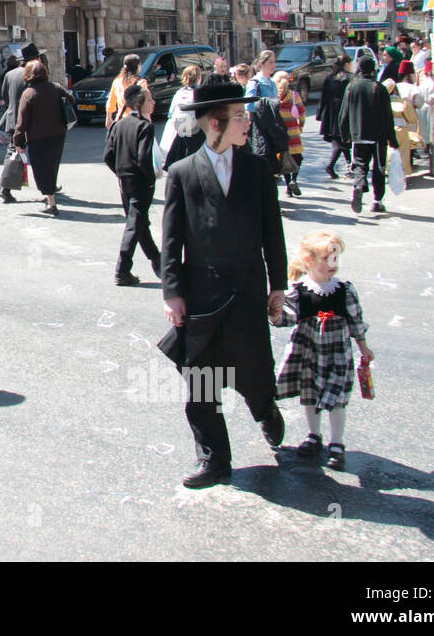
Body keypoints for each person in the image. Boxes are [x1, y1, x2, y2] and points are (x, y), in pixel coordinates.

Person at [160, 81, 288, 489]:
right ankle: (214, 459)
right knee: (201, 382)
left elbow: (274, 232)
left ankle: (265, 409)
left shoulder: (256, 168)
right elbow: (172, 240)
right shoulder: (182, 174)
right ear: (215, 124)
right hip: (202, 297)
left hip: (249, 293)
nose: (247, 122)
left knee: (255, 374)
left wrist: (279, 286)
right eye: (239, 116)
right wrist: (172, 293)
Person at [272, 230, 373, 471]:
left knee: (337, 397)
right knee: (310, 393)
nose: (333, 265)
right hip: (308, 351)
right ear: (309, 261)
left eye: (336, 259)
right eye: (327, 259)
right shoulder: (299, 290)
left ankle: (337, 443)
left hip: (337, 352)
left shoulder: (344, 290)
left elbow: (355, 321)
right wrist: (275, 314)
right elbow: (287, 319)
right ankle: (313, 435)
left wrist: (363, 347)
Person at [104, 83, 160, 285]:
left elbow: (108, 155)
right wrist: (150, 180)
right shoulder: (145, 126)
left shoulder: (119, 125)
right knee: (134, 224)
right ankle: (122, 268)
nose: (153, 103)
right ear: (141, 104)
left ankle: (158, 260)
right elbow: (144, 157)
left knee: (138, 222)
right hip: (138, 181)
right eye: (150, 100)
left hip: (124, 181)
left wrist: (120, 171)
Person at [338, 56, 396, 215]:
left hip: (358, 134)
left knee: (360, 164)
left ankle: (358, 185)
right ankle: (377, 201)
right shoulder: (379, 87)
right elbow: (388, 116)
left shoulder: (352, 86)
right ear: (373, 69)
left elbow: (344, 113)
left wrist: (345, 135)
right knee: (378, 168)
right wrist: (393, 139)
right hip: (378, 137)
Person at [12, 58, 70, 216]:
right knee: (52, 166)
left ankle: (51, 202)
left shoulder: (29, 93)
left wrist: (18, 141)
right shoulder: (56, 88)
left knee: (41, 170)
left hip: (38, 138)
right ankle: (51, 199)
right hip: (58, 134)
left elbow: (21, 121)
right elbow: (71, 100)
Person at [0, 42, 40, 203]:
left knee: (13, 152)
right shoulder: (32, 75)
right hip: (29, 121)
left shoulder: (10, 74)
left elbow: (6, 98)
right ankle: (5, 187)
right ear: (35, 59)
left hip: (12, 118)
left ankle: (6, 187)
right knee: (37, 155)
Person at [161, 65, 205, 170]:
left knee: (183, 144)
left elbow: (171, 113)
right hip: (196, 125)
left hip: (182, 123)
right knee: (196, 149)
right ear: (199, 77)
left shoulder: (180, 92)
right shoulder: (200, 92)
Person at [317, 54, 353, 178]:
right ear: (347, 64)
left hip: (331, 112)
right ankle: (334, 166)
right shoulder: (349, 79)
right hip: (343, 111)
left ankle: (348, 164)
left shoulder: (330, 78)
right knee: (342, 140)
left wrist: (320, 112)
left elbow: (323, 97)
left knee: (339, 140)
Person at [274, 71, 306, 198]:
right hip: (293, 131)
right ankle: (294, 179)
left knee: (284, 160)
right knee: (298, 157)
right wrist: (301, 125)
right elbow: (302, 112)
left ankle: (288, 188)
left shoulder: (274, 96)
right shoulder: (294, 95)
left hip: (280, 132)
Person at [106, 53, 148, 128]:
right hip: (136, 122)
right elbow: (144, 104)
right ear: (138, 66)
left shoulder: (117, 81)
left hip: (120, 121)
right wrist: (148, 121)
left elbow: (111, 101)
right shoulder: (141, 83)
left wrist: (108, 118)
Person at [244, 50, 277, 115]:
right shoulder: (254, 83)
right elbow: (248, 106)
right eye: (270, 62)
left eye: (274, 62)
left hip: (273, 122)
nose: (273, 65)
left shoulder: (272, 82)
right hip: (260, 122)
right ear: (261, 64)